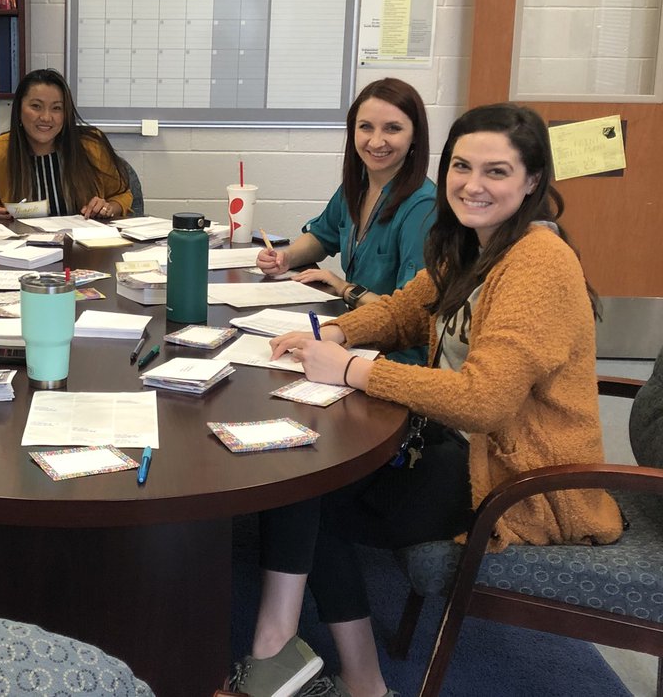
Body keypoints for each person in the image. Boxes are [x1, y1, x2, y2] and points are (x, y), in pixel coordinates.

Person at [229, 104, 624, 697]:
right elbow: (403, 310)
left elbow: (486, 402)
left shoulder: (538, 260)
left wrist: (356, 369)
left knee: (312, 491)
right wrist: (337, 333)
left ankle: (317, 666)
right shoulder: (469, 242)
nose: (472, 184)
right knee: (306, 474)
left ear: (533, 180)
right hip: (450, 445)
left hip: (515, 477)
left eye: (496, 171)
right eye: (462, 166)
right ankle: (299, 658)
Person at [257, 78, 434, 364]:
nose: (376, 141)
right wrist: (285, 257)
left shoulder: (423, 207)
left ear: (415, 135)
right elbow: (321, 236)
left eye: (393, 128)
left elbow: (410, 317)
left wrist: (344, 288)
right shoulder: (359, 184)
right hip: (353, 334)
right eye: (366, 127)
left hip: (395, 357)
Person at [0, 68, 133, 221]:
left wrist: (107, 208)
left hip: (83, 241)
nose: (46, 117)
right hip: (26, 242)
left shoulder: (92, 145)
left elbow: (122, 196)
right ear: (18, 110)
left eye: (56, 108)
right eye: (36, 106)